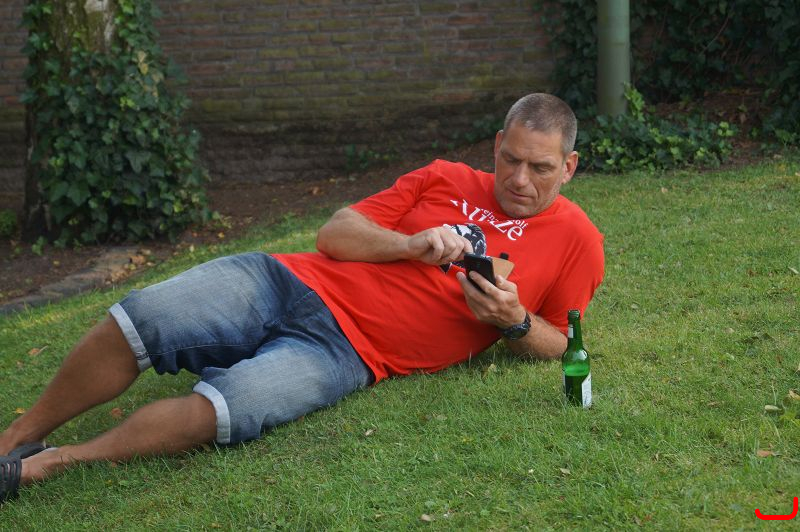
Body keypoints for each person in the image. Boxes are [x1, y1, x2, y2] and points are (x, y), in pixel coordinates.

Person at [0, 93, 604, 503]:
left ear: (569, 166)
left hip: (349, 352)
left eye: (540, 168)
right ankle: (14, 438)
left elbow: (564, 342)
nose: (519, 179)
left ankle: (53, 463)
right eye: (510, 159)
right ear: (496, 144)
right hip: (285, 280)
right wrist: (408, 244)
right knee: (145, 316)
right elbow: (335, 233)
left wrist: (514, 321)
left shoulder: (578, 240)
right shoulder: (444, 176)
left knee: (230, 408)